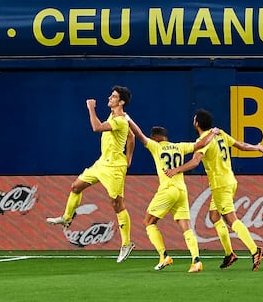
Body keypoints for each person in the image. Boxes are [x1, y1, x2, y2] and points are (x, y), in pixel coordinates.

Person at [164, 108, 263, 271]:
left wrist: (176, 170)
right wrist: (256, 147)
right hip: (229, 180)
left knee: (231, 219)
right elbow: (240, 145)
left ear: (197, 123)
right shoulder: (219, 133)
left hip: (220, 185)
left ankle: (255, 250)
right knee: (214, 216)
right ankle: (229, 254)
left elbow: (195, 162)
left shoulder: (204, 140)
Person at [46, 85, 136, 263]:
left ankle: (126, 243)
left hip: (114, 169)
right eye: (111, 95)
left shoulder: (120, 120)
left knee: (117, 204)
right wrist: (129, 157)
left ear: (122, 101)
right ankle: (66, 218)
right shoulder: (118, 116)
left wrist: (91, 108)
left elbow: (96, 127)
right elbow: (131, 137)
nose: (110, 98)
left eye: (114, 96)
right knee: (76, 186)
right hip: (101, 163)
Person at [125, 115, 219, 273]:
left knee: (148, 222)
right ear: (166, 137)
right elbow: (200, 144)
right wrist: (212, 132)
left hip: (167, 189)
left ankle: (164, 256)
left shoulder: (156, 146)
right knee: (186, 227)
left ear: (155, 137)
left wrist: (127, 120)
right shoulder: (179, 146)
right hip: (181, 190)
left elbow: (139, 135)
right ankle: (196, 261)